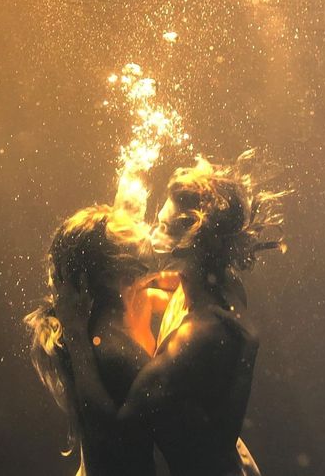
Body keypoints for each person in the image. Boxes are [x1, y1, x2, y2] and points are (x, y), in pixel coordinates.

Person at [57, 152, 286, 475]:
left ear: (191, 239)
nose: (150, 233)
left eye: (163, 226)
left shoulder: (194, 338)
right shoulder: (218, 281)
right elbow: (159, 282)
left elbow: (118, 427)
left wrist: (76, 334)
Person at [25, 204, 170, 476]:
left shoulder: (100, 334)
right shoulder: (116, 354)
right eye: (129, 229)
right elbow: (113, 442)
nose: (142, 227)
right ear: (117, 269)